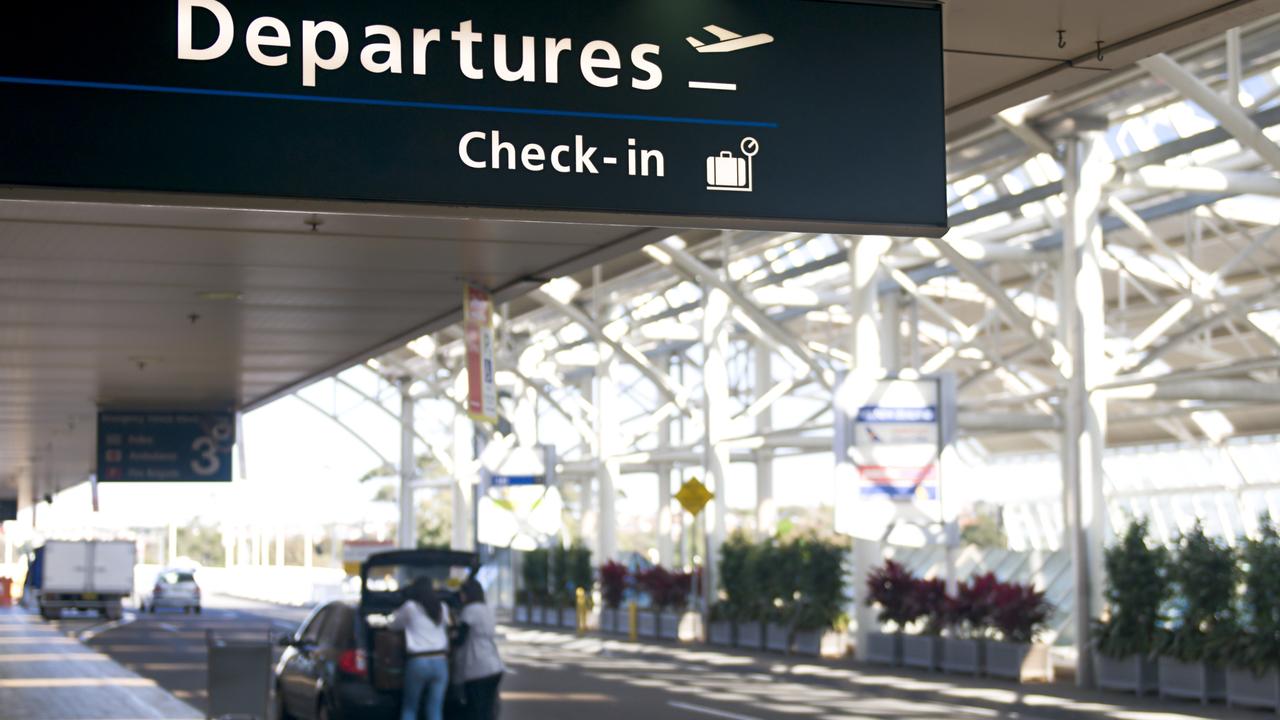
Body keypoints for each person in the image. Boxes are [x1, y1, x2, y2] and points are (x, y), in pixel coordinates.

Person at [389, 578, 451, 720]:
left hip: (418, 662)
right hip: (441, 662)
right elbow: (447, 627)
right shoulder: (442, 607)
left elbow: (393, 625)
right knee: (435, 709)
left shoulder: (410, 607)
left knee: (410, 708)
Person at [455, 579, 504, 720]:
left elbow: (460, 639)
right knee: (488, 710)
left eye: (462, 594)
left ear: (468, 594)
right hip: (494, 666)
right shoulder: (488, 608)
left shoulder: (470, 610)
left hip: (478, 668)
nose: (461, 597)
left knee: (476, 711)